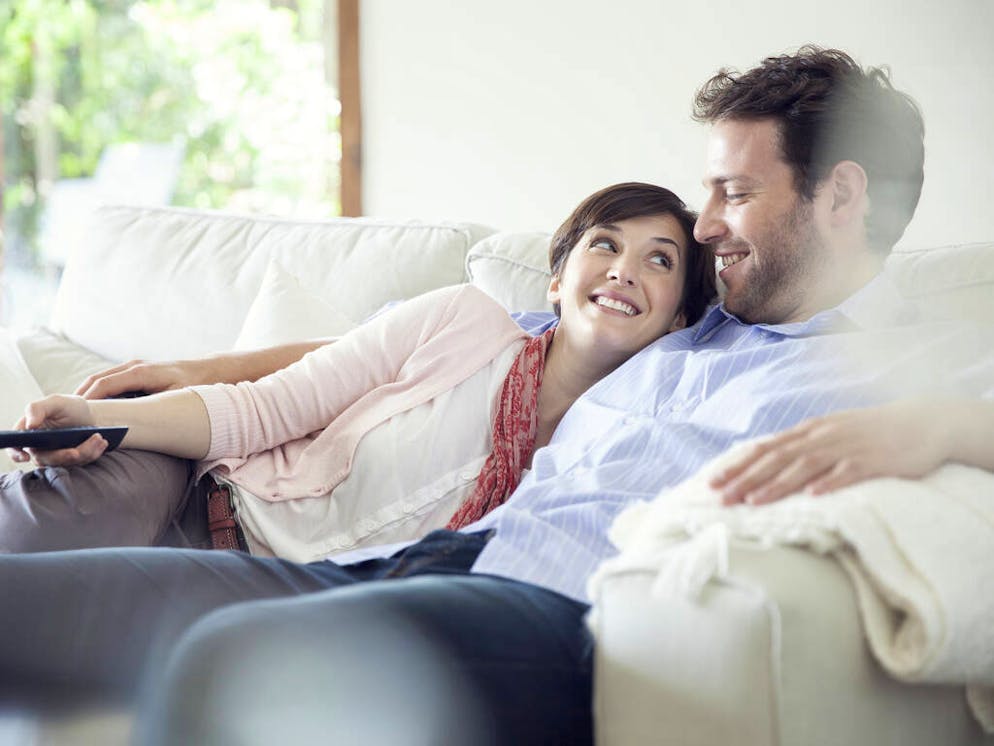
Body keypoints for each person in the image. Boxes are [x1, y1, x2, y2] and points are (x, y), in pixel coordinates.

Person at [0, 46, 992, 745]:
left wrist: (937, 421)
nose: (704, 222)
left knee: (226, 655)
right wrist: (182, 374)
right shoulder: (681, 316)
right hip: (395, 565)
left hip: (557, 615)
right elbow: (415, 342)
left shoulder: (895, 364)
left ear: (842, 195)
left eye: (733, 191)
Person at [0, 182, 716, 559]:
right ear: (557, 281)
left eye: (660, 260)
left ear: (679, 319)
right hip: (205, 490)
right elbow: (268, 408)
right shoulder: (467, 320)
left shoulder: (617, 448)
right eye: (605, 244)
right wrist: (101, 420)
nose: (625, 269)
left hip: (266, 591)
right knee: (40, 532)